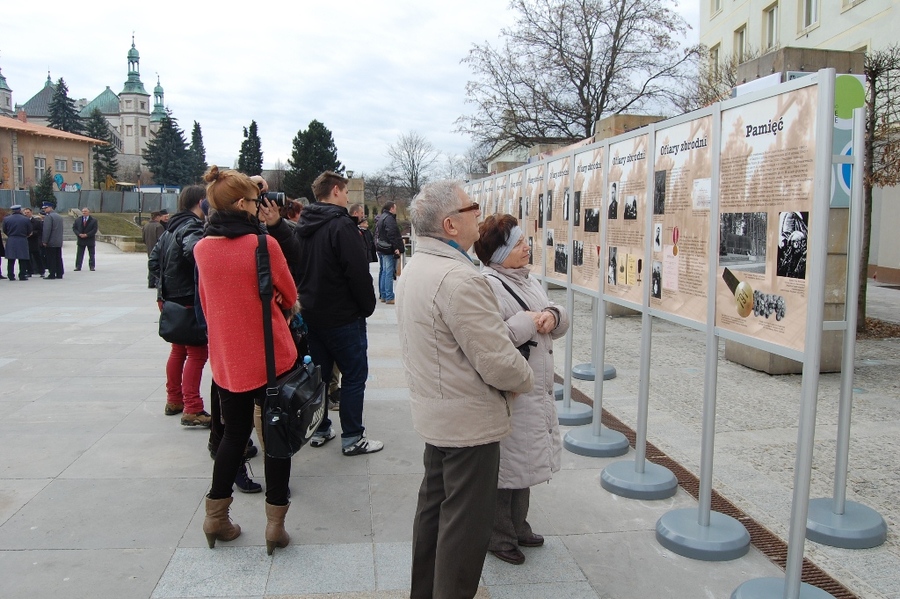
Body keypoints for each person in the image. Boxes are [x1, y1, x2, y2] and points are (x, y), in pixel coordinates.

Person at [395, 180, 534, 599]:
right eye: (472, 207)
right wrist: (525, 380)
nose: (480, 212)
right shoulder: (459, 279)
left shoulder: (417, 268)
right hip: (467, 425)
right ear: (451, 224)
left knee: (435, 515)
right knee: (465, 529)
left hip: (439, 415)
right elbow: (498, 361)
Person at [193, 166, 298, 554]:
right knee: (276, 440)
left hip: (229, 362)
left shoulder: (202, 249)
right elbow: (288, 290)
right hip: (272, 361)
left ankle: (215, 517)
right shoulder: (263, 244)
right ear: (242, 204)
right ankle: (275, 526)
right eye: (254, 202)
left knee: (233, 437)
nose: (260, 207)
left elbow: (206, 303)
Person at [473, 213, 568, 566]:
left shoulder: (528, 279)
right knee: (507, 467)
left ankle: (518, 525)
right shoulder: (487, 285)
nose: (527, 247)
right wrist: (529, 322)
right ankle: (499, 535)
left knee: (526, 460)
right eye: (518, 243)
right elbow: (492, 339)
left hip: (535, 388)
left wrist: (553, 316)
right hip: (512, 390)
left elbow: (553, 312)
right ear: (499, 253)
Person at [294, 171, 382, 455]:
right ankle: (353, 437)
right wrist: (367, 306)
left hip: (312, 313)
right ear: (334, 191)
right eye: (345, 192)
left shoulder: (303, 225)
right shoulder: (341, 225)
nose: (347, 197)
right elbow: (357, 272)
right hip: (343, 316)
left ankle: (319, 429)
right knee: (354, 376)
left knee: (319, 376)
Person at [149, 186, 211, 428]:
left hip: (171, 299)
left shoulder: (169, 229)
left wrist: (166, 287)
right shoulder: (192, 227)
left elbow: (154, 262)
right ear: (201, 201)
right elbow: (196, 253)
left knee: (178, 350)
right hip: (187, 299)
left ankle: (174, 399)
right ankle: (192, 407)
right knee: (197, 353)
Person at [374, 202, 404, 304]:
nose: (396, 210)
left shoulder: (382, 217)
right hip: (388, 248)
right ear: (391, 208)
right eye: (395, 208)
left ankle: (383, 295)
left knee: (384, 271)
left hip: (382, 247)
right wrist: (396, 247)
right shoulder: (389, 218)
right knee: (388, 272)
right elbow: (392, 234)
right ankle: (389, 296)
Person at [2, 205, 33, 281]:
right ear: (20, 210)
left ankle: (11, 275)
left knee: (11, 259)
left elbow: (4, 230)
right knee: (22, 259)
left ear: (12, 211)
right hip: (22, 239)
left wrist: (10, 234)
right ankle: (22, 275)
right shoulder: (26, 219)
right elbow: (29, 230)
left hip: (11, 239)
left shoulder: (6, 219)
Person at [40, 202, 65, 279]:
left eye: (46, 208)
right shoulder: (59, 216)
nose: (44, 210)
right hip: (58, 241)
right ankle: (59, 273)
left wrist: (44, 241)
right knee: (58, 257)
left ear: (51, 208)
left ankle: (52, 273)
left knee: (51, 258)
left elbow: (47, 230)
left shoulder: (49, 217)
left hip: (51, 241)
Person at [143, 211, 165, 288]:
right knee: (158, 265)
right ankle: (158, 282)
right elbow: (161, 239)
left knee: (151, 263)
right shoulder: (159, 226)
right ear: (157, 217)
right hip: (157, 249)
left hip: (149, 247)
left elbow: (143, 238)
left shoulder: (146, 226)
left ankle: (151, 282)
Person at [23, 208, 45, 278]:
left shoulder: (36, 222)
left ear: (31, 213)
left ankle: (41, 271)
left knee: (37, 257)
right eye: (25, 213)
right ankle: (29, 271)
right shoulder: (23, 221)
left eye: (28, 212)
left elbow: (40, 231)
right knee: (27, 258)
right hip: (26, 242)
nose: (27, 214)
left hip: (34, 242)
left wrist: (32, 233)